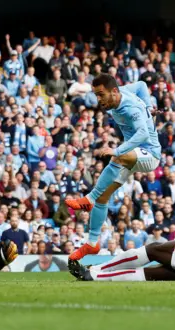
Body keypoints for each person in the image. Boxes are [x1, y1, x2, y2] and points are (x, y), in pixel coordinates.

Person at [65, 74, 162, 259]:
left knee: (117, 158)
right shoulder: (123, 92)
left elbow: (143, 135)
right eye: (96, 95)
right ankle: (92, 244)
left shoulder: (129, 109)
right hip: (133, 153)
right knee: (103, 198)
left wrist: (116, 150)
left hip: (150, 154)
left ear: (114, 92)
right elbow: (142, 85)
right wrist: (149, 107)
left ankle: (89, 198)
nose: (98, 100)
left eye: (101, 94)